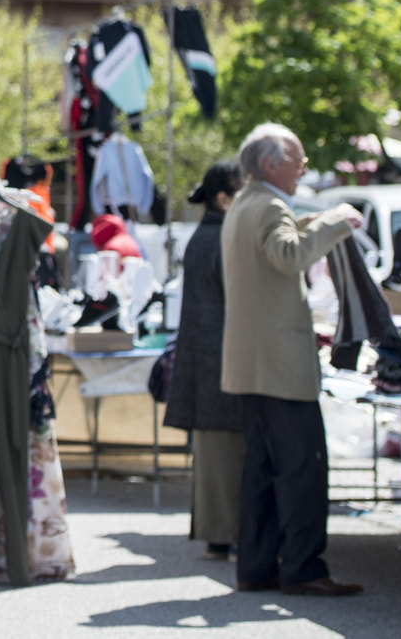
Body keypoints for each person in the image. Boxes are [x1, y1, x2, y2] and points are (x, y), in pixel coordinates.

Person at [221, 123, 364, 597]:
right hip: (279, 364)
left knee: (261, 471)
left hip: (252, 364)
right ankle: (304, 567)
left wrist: (316, 220)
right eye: (297, 161)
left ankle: (257, 567)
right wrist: (337, 219)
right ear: (271, 164)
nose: (303, 170)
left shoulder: (244, 205)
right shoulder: (268, 205)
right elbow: (287, 254)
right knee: (303, 466)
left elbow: (274, 250)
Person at [164, 161, 245, 562]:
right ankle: (223, 536)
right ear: (223, 198)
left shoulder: (206, 235)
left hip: (207, 361)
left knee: (216, 459)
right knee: (224, 458)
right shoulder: (219, 237)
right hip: (219, 363)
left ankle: (218, 536)